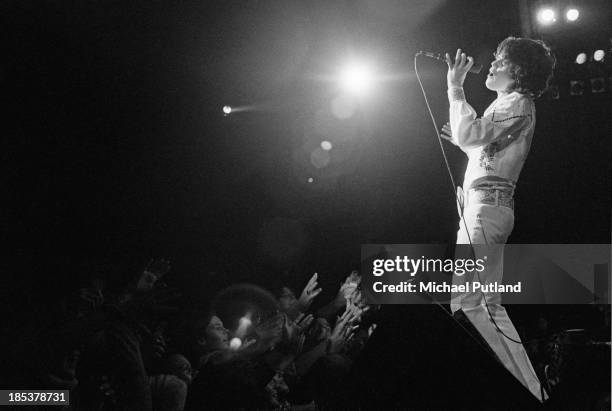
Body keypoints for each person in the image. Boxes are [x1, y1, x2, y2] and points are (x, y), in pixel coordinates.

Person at [441, 37, 555, 402]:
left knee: (478, 303)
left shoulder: (518, 103)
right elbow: (477, 141)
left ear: (518, 71)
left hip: (487, 209)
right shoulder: (508, 104)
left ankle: (531, 392)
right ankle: (518, 388)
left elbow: (470, 133)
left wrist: (455, 88)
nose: (490, 65)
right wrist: (464, 137)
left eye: (500, 60)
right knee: (467, 303)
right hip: (481, 209)